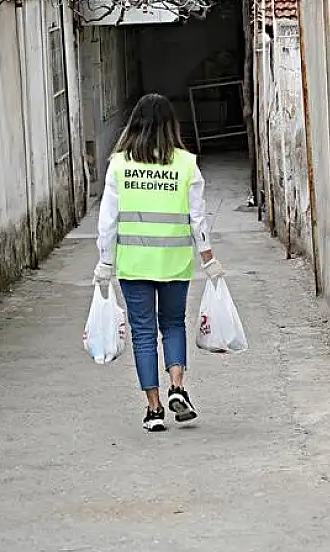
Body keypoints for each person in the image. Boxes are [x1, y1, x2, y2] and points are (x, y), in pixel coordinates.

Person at [93, 93, 225, 432]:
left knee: (143, 333)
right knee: (173, 324)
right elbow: (198, 219)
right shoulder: (185, 164)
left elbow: (108, 220)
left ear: (133, 124)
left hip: (133, 264)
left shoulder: (120, 165)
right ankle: (177, 387)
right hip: (174, 262)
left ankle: (153, 410)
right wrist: (208, 259)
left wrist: (104, 263)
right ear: (171, 125)